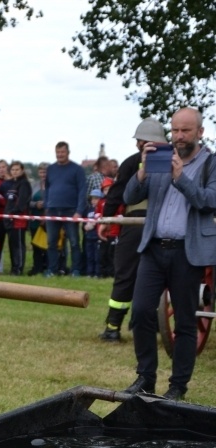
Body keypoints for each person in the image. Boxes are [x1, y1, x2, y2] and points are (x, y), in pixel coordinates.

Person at [122, 107, 216, 401]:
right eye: (175, 130)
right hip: (154, 248)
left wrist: (181, 178)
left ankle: (178, 386)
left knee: (186, 322)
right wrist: (142, 171)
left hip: (187, 253)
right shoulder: (160, 158)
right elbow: (129, 198)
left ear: (200, 132)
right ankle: (145, 378)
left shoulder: (210, 163)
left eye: (185, 131)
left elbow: (208, 201)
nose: (179, 136)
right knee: (140, 312)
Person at [99, 118, 167, 342]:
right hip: (166, 225)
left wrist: (106, 219)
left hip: (136, 224)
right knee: (161, 275)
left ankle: (112, 327)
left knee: (125, 274)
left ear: (141, 142)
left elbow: (116, 194)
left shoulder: (131, 163)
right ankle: (155, 323)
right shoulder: (174, 160)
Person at [44, 141, 86, 277]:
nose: (60, 155)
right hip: (52, 210)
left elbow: (82, 191)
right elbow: (47, 188)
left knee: (74, 242)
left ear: (68, 152)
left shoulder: (77, 169)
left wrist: (79, 211)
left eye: (62, 152)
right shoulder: (50, 169)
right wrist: (46, 206)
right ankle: (52, 269)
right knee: (51, 242)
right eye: (57, 153)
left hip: (71, 211)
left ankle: (76, 270)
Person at [2, 161, 31, 275]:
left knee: (18, 245)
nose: (15, 172)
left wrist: (13, 212)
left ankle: (18, 269)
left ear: (22, 170)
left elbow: (22, 202)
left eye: (17, 169)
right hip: (10, 220)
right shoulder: (13, 184)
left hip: (19, 220)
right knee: (12, 245)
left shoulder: (24, 184)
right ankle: (13, 267)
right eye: (13, 170)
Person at [27, 163, 49, 276]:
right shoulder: (34, 186)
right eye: (41, 172)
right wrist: (36, 204)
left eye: (45, 172)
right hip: (35, 220)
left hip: (49, 221)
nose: (43, 174)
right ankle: (37, 266)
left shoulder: (53, 185)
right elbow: (27, 202)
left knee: (48, 245)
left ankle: (48, 267)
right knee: (36, 244)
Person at [83, 189, 102, 278]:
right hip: (89, 236)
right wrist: (85, 226)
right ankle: (89, 272)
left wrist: (93, 224)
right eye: (92, 198)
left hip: (97, 236)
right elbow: (84, 222)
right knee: (89, 256)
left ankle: (97, 273)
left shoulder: (100, 210)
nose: (93, 200)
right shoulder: (89, 209)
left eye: (96, 198)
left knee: (97, 257)